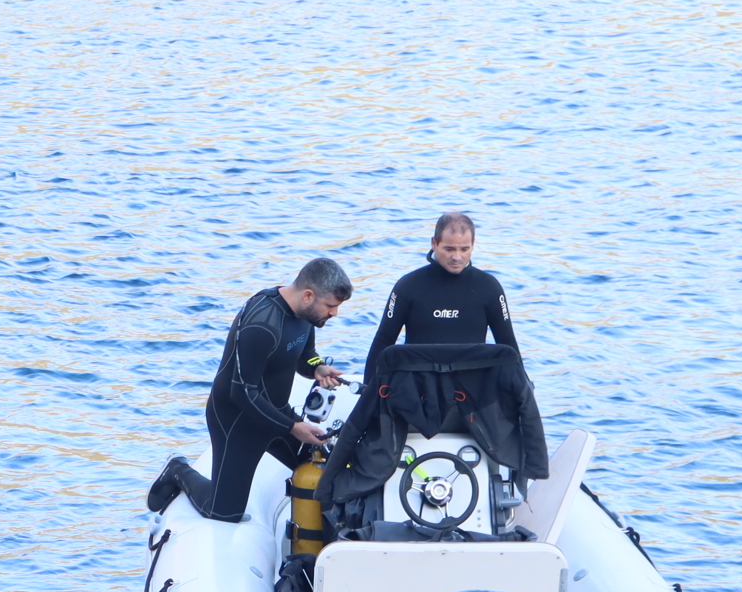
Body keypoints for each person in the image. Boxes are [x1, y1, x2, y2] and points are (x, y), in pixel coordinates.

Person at [148, 257, 352, 522]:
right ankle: (177, 470)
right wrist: (293, 427)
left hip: (275, 412)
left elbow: (306, 355)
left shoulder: (305, 315)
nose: (334, 313)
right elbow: (243, 392)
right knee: (224, 512)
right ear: (308, 295)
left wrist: (317, 368)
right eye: (331, 306)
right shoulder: (262, 323)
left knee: (325, 469)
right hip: (237, 419)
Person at [364, 212, 517, 372]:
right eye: (449, 249)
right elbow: (383, 341)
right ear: (434, 243)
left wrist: (523, 385)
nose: (457, 257)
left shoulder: (489, 287)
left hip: (472, 382)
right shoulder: (408, 286)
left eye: (464, 249)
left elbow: (508, 345)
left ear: (473, 245)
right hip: (418, 382)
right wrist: (369, 385)